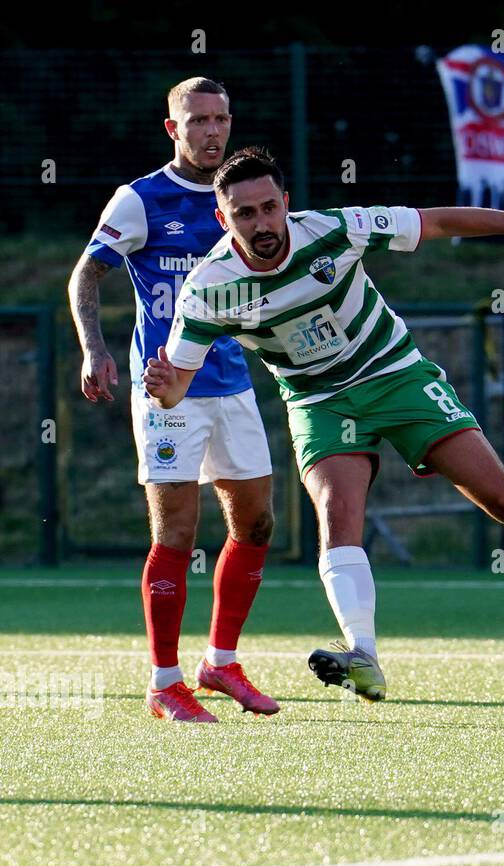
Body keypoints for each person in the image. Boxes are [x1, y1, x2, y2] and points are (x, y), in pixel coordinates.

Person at [144, 146, 504, 703]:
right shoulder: (208, 288)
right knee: (338, 518)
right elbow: (179, 385)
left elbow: (434, 221)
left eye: (269, 208)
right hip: (319, 400)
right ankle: (363, 652)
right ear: (223, 219)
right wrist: (167, 390)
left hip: (395, 373)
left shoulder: (335, 230)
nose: (261, 224)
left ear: (286, 203)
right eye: (245, 214)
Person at [68, 78, 277, 723]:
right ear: (173, 129)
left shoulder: (243, 203)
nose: (212, 131)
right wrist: (94, 348)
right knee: (177, 533)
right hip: (167, 391)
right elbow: (86, 272)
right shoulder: (141, 200)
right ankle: (164, 682)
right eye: (198, 121)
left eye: (221, 120)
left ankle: (221, 663)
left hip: (233, 383)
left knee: (258, 525)